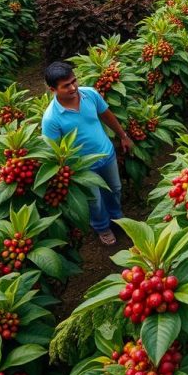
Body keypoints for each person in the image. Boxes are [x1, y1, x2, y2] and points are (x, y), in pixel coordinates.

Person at [41, 61, 133, 245]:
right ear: (53, 90)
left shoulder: (90, 94)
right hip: (82, 169)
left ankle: (117, 218)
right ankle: (102, 227)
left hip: (106, 155)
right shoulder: (51, 118)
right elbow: (53, 150)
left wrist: (123, 135)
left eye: (74, 81)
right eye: (66, 85)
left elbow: (106, 115)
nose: (73, 87)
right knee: (94, 201)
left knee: (115, 189)